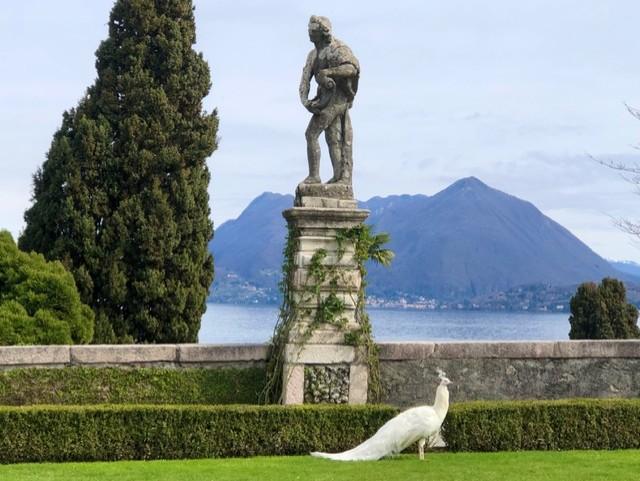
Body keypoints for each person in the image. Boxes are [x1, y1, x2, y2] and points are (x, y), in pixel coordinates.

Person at [299, 16, 360, 185]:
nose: (310, 32)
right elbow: (305, 80)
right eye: (309, 29)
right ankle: (340, 177)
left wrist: (328, 72)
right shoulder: (312, 55)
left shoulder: (337, 48)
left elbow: (351, 68)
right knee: (333, 138)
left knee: (311, 134)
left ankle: (316, 176)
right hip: (324, 100)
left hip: (337, 100)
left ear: (322, 32)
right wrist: (306, 102)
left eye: (313, 30)